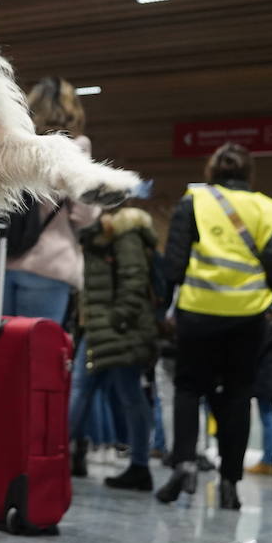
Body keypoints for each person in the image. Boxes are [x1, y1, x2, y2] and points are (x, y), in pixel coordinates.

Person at [156, 142, 272, 510]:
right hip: (247, 316)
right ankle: (230, 481)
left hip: (197, 311)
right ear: (249, 173)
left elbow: (174, 262)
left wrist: (169, 305)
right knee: (237, 394)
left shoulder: (194, 200)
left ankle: (183, 463)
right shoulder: (266, 207)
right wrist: (264, 296)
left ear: (211, 171)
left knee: (187, 388)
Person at [0, 77, 100, 322]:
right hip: (47, 264)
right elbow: (84, 214)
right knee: (36, 351)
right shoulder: (74, 147)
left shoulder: (10, 145)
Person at [70, 205, 160, 490]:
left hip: (120, 329)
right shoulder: (101, 237)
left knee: (97, 390)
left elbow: (134, 282)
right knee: (119, 393)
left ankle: (139, 466)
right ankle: (135, 465)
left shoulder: (126, 235)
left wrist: (114, 319)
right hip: (108, 328)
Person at [246, 308, 272, 476]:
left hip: (267, 376)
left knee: (267, 416)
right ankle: (269, 458)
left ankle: (269, 460)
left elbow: (259, 352)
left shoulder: (270, 328)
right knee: (269, 416)